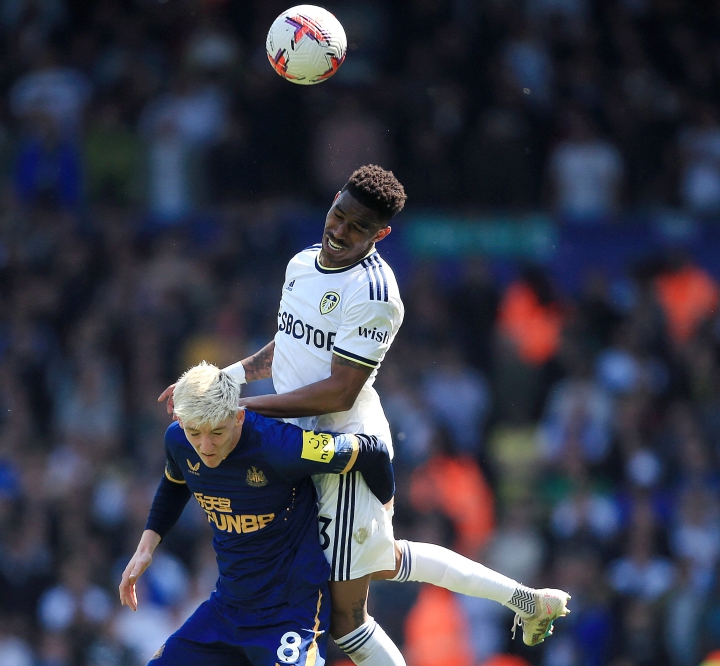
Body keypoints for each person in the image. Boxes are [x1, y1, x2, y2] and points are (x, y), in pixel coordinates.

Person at [161, 165, 570, 665]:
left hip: (341, 452)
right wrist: (225, 380)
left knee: (347, 620)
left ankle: (528, 600)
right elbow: (284, 347)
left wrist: (236, 407)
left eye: (357, 227)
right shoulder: (302, 263)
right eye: (338, 215)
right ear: (332, 200)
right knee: (383, 561)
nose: (338, 231)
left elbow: (339, 391)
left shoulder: (376, 294)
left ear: (382, 234)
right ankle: (528, 601)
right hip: (295, 444)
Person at [120, 362, 396, 666]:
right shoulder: (178, 441)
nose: (205, 445)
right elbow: (175, 483)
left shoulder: (279, 446)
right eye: (194, 432)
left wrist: (386, 509)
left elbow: (373, 452)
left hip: (291, 614)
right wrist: (146, 547)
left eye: (217, 431)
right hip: (226, 610)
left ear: (238, 416)